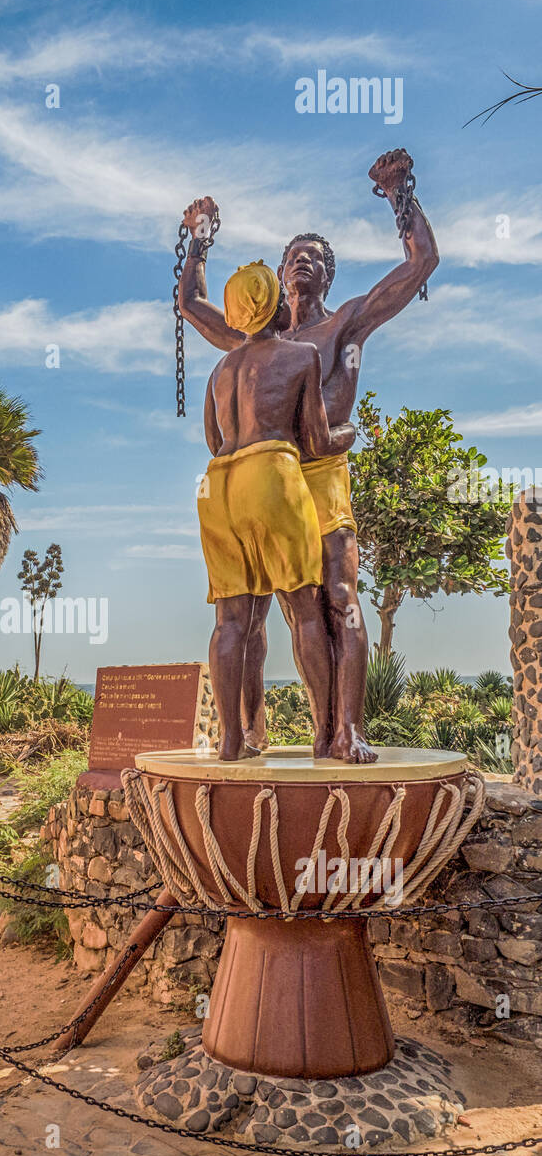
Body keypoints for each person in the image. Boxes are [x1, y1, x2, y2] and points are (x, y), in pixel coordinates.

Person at [180, 149, 438, 762]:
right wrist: (198, 241)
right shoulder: (259, 340)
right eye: (294, 254)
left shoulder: (343, 325)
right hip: (266, 480)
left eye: (316, 257)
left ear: (328, 276)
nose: (303, 260)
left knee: (337, 601)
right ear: (277, 273)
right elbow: (190, 306)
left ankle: (345, 729)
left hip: (318, 478)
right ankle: (246, 734)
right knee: (251, 613)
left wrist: (401, 193)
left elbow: (421, 262)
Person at [199, 261, 353, 761]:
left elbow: (213, 440)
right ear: (273, 301)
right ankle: (328, 735)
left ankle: (231, 742)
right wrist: (348, 437)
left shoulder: (219, 371)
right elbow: (316, 438)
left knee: (231, 620)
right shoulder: (302, 354)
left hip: (219, 485)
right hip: (272, 473)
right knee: (306, 609)